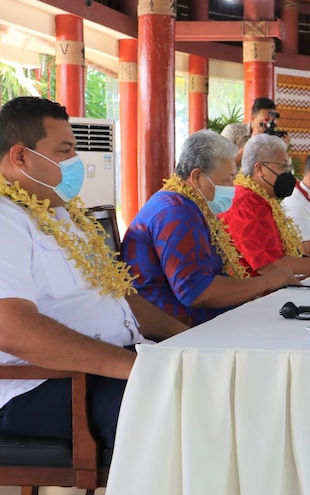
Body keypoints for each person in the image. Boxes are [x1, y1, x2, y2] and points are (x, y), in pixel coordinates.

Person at [0, 96, 187, 449]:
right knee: (175, 407)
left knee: (215, 383)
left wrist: (186, 339)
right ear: (20, 156)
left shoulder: (62, 215)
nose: (75, 163)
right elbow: (12, 330)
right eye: (64, 151)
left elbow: (122, 300)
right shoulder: (5, 219)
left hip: (113, 363)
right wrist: (133, 368)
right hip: (40, 384)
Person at [122, 130, 300, 326]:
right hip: (178, 325)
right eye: (227, 180)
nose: (233, 187)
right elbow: (197, 292)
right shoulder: (176, 213)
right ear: (197, 177)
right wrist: (267, 281)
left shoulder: (186, 204)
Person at [219, 135, 310, 276]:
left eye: (288, 167)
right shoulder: (246, 202)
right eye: (283, 166)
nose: (288, 173)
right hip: (257, 295)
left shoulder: (262, 197)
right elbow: (270, 266)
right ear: (259, 169)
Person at [221, 97, 289, 166]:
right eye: (266, 120)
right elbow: (223, 164)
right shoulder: (233, 130)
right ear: (253, 118)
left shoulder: (271, 137)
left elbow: (273, 168)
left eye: (272, 121)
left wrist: (282, 148)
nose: (268, 125)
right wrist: (252, 142)